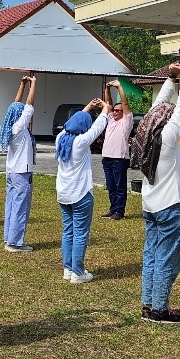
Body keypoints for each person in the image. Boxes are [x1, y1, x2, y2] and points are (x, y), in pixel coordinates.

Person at [131, 62, 180, 324]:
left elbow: (158, 107)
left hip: (151, 207)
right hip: (172, 207)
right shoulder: (167, 139)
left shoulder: (145, 139)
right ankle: (159, 309)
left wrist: (170, 78)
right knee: (167, 259)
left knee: (152, 255)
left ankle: (148, 304)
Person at [55, 97, 110, 283]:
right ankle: (78, 272)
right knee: (80, 233)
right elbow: (97, 127)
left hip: (63, 194)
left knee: (67, 231)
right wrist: (104, 109)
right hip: (80, 194)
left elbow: (70, 124)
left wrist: (87, 108)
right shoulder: (80, 142)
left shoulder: (60, 138)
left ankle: (68, 269)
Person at [1, 75, 37, 252]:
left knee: (11, 205)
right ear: (19, 116)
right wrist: (33, 85)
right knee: (20, 207)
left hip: (11, 172)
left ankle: (9, 238)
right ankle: (15, 243)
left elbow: (16, 105)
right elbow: (28, 107)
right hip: (22, 173)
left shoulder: (12, 127)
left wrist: (22, 85)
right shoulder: (20, 128)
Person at [101, 80, 133, 220]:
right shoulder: (111, 120)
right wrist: (107, 88)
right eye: (114, 110)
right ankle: (113, 209)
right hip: (107, 158)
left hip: (119, 159)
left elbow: (125, 105)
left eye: (117, 110)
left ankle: (119, 211)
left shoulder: (126, 122)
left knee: (120, 187)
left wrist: (119, 87)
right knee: (111, 186)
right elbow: (108, 103)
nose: (114, 112)